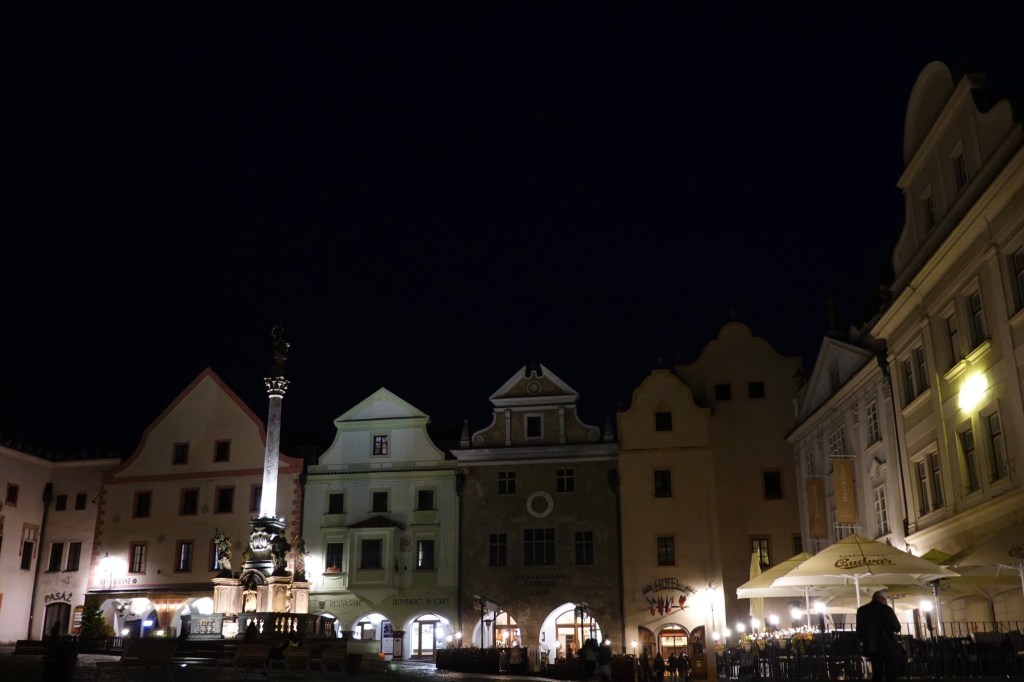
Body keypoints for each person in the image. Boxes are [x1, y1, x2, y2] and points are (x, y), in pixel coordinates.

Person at [856, 590, 902, 682]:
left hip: (871, 647)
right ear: (883, 599)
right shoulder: (887, 609)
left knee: (877, 673)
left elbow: (859, 631)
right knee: (891, 673)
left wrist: (864, 641)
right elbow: (897, 628)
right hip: (889, 646)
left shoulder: (862, 610)